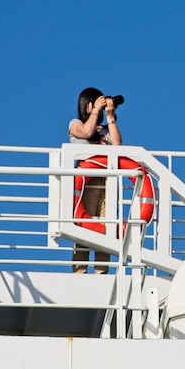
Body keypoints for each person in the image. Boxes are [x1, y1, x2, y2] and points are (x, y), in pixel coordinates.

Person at [68, 87, 122, 274]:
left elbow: (117, 146)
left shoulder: (105, 130)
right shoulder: (75, 123)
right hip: (85, 185)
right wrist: (95, 111)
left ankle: (102, 272)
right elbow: (85, 131)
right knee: (84, 225)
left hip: (106, 184)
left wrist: (110, 116)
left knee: (105, 228)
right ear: (87, 103)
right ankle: (80, 272)